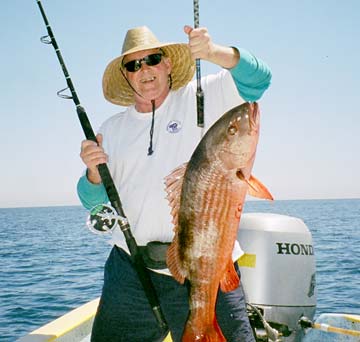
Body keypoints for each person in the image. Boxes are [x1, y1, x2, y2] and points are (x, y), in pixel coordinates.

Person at [77, 24, 271, 342]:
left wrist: (213, 53)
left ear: (167, 63)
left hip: (207, 265)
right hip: (131, 269)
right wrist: (93, 173)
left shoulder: (203, 95)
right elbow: (92, 201)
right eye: (133, 65)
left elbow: (259, 80)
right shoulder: (111, 129)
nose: (145, 70)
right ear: (126, 75)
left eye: (152, 59)